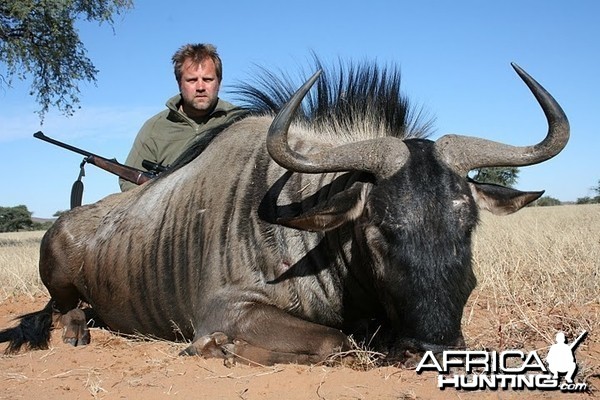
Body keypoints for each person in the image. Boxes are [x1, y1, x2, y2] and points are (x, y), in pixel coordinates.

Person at [120, 43, 244, 191]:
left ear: (219, 82)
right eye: (192, 80)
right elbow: (129, 181)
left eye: (208, 79)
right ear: (179, 83)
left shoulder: (240, 121)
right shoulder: (155, 127)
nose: (200, 87)